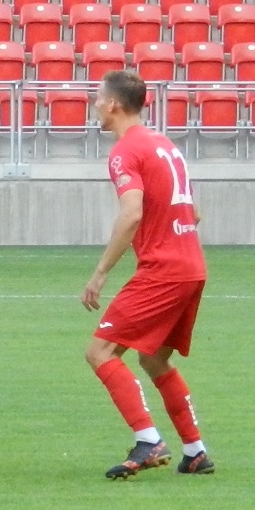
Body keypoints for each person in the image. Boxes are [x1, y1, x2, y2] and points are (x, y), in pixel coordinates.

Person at [81, 69, 215, 478]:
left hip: (164, 270)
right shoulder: (164, 144)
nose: (95, 105)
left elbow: (132, 213)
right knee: (154, 358)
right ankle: (195, 451)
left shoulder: (125, 151)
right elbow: (193, 212)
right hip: (191, 265)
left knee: (100, 352)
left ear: (113, 105)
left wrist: (100, 273)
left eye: (98, 98)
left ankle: (148, 439)